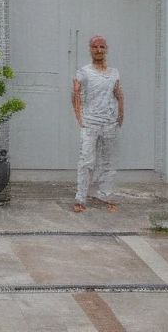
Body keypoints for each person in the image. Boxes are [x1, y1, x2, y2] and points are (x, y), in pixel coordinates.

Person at [72, 35, 123, 213]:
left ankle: (105, 195)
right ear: (90, 50)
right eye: (95, 47)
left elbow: (118, 94)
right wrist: (80, 117)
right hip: (91, 124)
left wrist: (120, 116)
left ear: (106, 49)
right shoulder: (84, 72)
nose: (99, 50)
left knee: (107, 163)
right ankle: (81, 198)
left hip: (109, 124)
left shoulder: (114, 72)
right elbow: (76, 93)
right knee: (86, 161)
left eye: (102, 47)